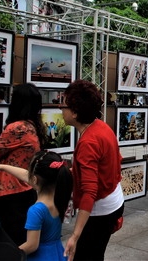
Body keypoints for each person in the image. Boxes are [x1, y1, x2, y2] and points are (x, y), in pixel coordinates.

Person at [60, 80, 124, 261]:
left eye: (62, 105)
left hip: (100, 211)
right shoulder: (101, 126)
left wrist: (75, 235)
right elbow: (112, 161)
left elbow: (90, 191)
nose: (60, 109)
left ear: (74, 112)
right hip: (113, 200)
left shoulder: (88, 142)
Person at [0, 83, 45, 246]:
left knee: (8, 243)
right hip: (26, 189)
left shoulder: (17, 128)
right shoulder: (33, 126)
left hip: (11, 195)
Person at [0, 151, 73, 261]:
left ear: (34, 180)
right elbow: (26, 176)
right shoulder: (60, 196)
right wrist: (3, 167)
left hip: (40, 257)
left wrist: (10, 254)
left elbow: (32, 245)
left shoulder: (36, 210)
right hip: (57, 253)